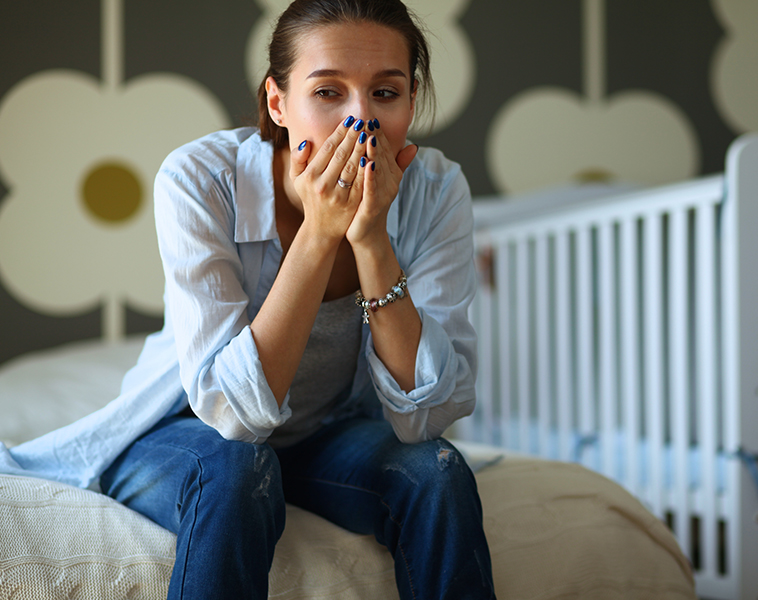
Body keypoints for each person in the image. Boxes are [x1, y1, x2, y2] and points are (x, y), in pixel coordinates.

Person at [0, 0, 496, 598]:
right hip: (191, 428)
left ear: (410, 103)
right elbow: (233, 417)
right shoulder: (199, 179)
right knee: (239, 466)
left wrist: (370, 239)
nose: (360, 119)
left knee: (437, 474)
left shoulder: (437, 190)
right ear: (278, 103)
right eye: (328, 92)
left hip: (328, 433)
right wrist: (318, 234)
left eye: (384, 94)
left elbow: (424, 418)